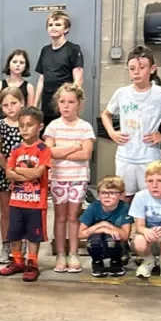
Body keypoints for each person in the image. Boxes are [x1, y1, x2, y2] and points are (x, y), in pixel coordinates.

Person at [101, 46, 161, 200]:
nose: (136, 72)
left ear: (152, 69)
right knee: (124, 197)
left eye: (141, 67)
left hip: (149, 156)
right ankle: (127, 225)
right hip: (125, 155)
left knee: (151, 198)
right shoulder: (121, 93)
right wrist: (112, 132)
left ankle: (147, 225)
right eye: (132, 68)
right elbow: (106, 114)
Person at [44, 83, 96, 273]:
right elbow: (48, 152)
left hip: (78, 178)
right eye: (62, 101)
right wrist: (74, 146)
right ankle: (60, 253)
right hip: (58, 178)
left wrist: (61, 152)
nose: (66, 106)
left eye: (71, 102)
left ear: (79, 104)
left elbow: (86, 155)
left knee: (73, 217)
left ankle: (73, 253)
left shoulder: (85, 127)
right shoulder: (53, 126)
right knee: (60, 217)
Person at [0, 107, 52, 282]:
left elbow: (38, 173)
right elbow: (8, 173)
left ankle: (32, 262)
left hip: (36, 203)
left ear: (40, 127)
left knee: (33, 235)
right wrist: (26, 172)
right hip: (17, 201)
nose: (25, 129)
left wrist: (18, 171)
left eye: (29, 125)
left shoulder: (44, 149)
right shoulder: (15, 149)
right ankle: (17, 260)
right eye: (21, 125)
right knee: (14, 233)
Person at [0, 85, 27, 264]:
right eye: (6, 105)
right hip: (4, 172)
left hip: (24, 173)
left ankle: (21, 244)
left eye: (14, 103)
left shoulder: (26, 125)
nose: (10, 107)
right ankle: (6, 244)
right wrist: (8, 170)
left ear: (22, 103)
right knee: (6, 211)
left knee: (23, 210)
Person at [34, 11, 84, 131]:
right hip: (47, 104)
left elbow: (78, 78)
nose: (53, 27)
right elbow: (41, 79)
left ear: (66, 29)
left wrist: (70, 102)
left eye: (57, 24)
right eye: (50, 25)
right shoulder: (45, 50)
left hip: (64, 104)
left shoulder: (72, 49)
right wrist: (35, 105)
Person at [78, 176, 132, 277]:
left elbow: (125, 236)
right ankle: (97, 262)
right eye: (103, 193)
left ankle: (116, 261)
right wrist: (102, 226)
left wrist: (106, 225)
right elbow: (80, 234)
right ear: (98, 194)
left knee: (112, 239)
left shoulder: (124, 207)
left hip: (115, 244)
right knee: (95, 241)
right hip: (98, 242)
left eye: (112, 193)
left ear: (122, 195)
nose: (107, 196)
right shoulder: (93, 207)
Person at [0, 49, 33, 123]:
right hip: (2, 123)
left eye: (21, 62)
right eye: (14, 62)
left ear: (25, 66)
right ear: (9, 64)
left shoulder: (29, 87)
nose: (18, 65)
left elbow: (30, 111)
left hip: (20, 124)